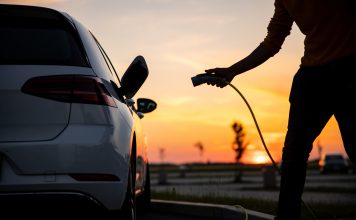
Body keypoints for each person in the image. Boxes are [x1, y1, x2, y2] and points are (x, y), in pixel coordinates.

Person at [203, 1, 356, 219]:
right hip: (312, 74)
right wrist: (232, 71)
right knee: (294, 152)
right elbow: (272, 42)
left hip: (350, 68)